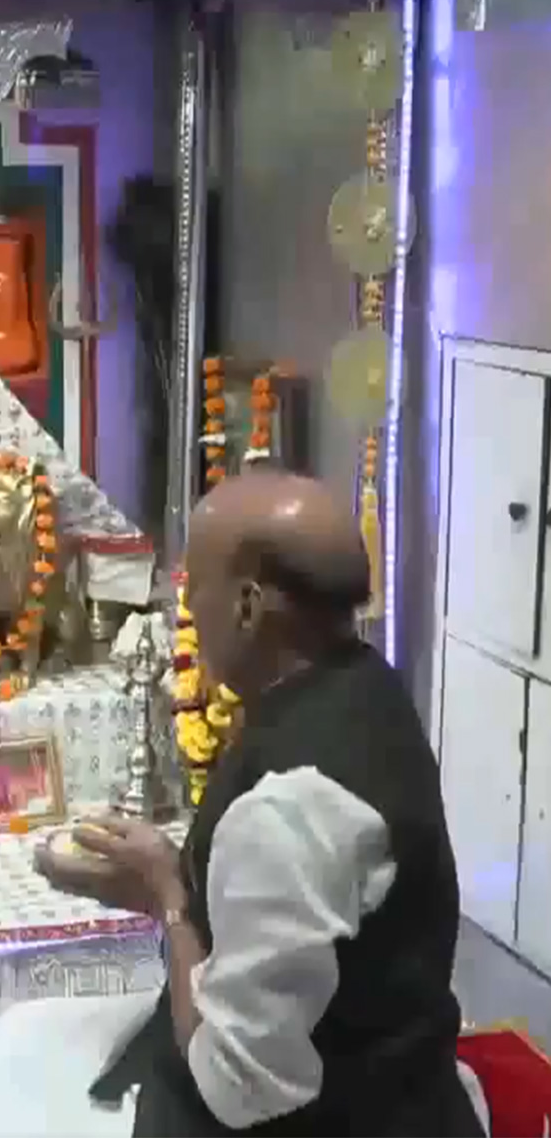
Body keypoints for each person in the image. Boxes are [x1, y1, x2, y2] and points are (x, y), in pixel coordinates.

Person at [37, 470, 481, 1137]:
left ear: (247, 607)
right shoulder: (367, 684)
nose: (187, 614)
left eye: (193, 591)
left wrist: (169, 898)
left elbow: (236, 1087)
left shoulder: (287, 807)